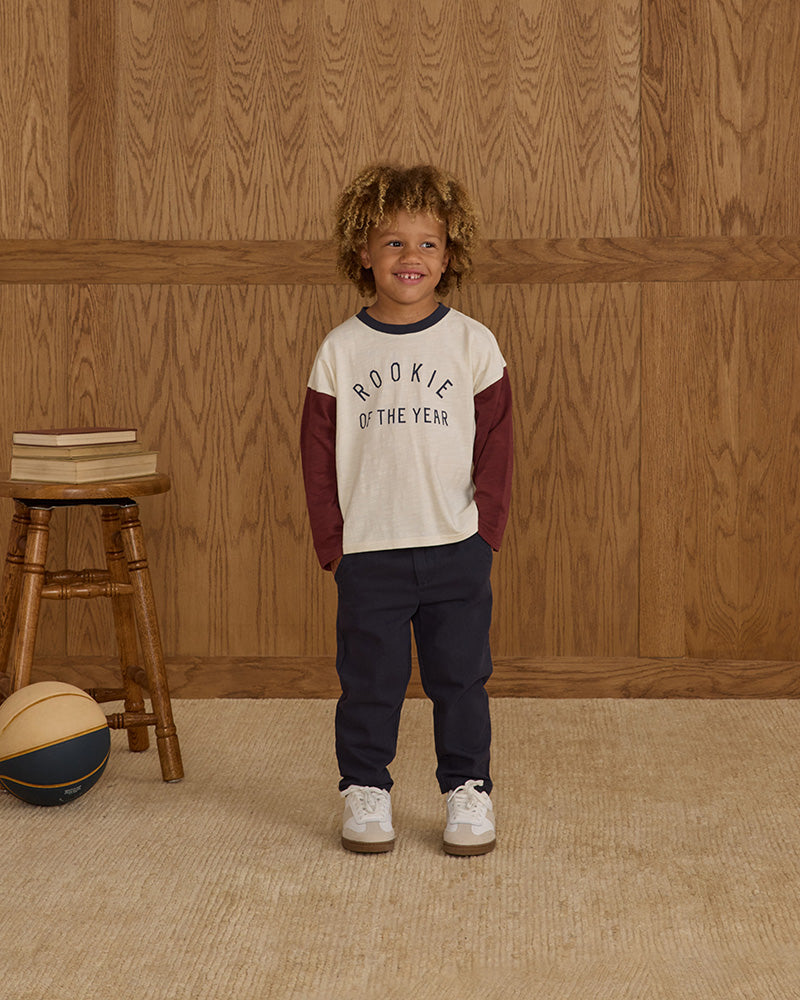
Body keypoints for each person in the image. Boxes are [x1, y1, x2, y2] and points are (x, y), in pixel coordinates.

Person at [300, 164, 513, 856]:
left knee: (461, 679)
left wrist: (487, 534)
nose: (410, 258)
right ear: (363, 252)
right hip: (370, 553)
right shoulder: (340, 351)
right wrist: (334, 545)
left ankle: (467, 790)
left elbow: (498, 446)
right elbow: (316, 454)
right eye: (392, 243)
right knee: (369, 682)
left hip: (456, 546)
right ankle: (365, 788)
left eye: (427, 244)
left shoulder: (472, 344)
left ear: (449, 255)